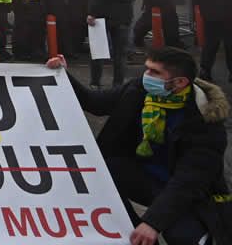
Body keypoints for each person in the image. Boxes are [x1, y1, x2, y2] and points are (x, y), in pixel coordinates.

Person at [47, 47, 230, 245]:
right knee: (103, 172)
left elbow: (188, 182)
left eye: (155, 72)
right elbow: (95, 103)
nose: (146, 76)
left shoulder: (205, 122)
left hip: (187, 194)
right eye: (147, 69)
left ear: (180, 82)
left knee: (183, 236)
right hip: (147, 178)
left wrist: (152, 223)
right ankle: (134, 236)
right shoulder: (140, 90)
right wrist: (64, 74)